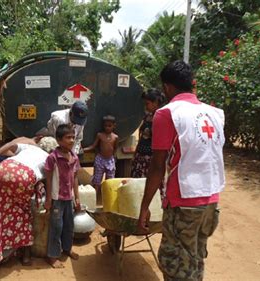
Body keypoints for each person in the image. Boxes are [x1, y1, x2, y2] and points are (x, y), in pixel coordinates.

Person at [137, 60, 225, 281]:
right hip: (211, 202)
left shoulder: (167, 114)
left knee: (175, 266)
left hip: (184, 201)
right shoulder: (215, 113)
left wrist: (145, 206)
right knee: (195, 258)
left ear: (167, 87)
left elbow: (157, 166)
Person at [0, 136, 57, 280]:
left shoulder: (29, 147)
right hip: (22, 177)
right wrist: (48, 198)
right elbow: (49, 181)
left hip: (1, 170)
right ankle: (26, 256)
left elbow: (8, 146)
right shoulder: (50, 158)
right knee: (23, 213)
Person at [44, 124, 81, 268]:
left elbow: (76, 177)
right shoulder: (53, 158)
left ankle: (67, 248)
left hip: (69, 198)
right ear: (59, 140)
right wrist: (48, 199)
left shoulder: (74, 157)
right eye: (68, 138)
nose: (71, 140)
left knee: (69, 225)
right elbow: (48, 179)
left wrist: (77, 197)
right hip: (57, 199)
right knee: (56, 227)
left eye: (73, 137)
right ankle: (52, 256)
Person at [83, 115, 118, 204]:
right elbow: (93, 146)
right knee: (97, 181)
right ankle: (94, 199)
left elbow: (115, 148)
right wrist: (83, 149)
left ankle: (108, 200)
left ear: (114, 126)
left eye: (109, 126)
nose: (107, 128)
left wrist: (113, 158)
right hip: (100, 160)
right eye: (106, 125)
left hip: (110, 160)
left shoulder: (115, 137)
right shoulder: (100, 135)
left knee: (110, 181)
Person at [131, 89, 165, 178]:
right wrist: (136, 154)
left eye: (147, 104)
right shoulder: (148, 116)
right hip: (141, 156)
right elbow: (143, 136)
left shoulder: (161, 118)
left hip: (151, 159)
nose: (145, 107)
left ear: (155, 103)